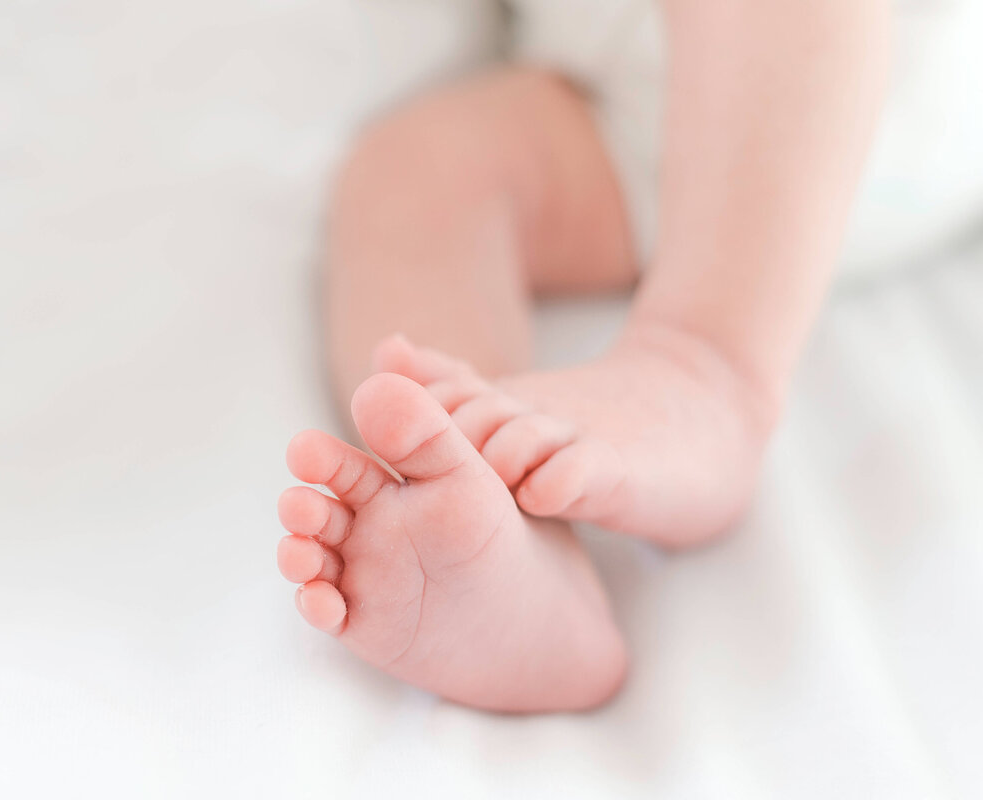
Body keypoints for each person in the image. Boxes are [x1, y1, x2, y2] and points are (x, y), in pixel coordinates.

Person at [275, 0, 893, 712]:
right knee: (412, 171)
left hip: (828, 88)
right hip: (626, 101)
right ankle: (509, 550)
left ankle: (707, 359)